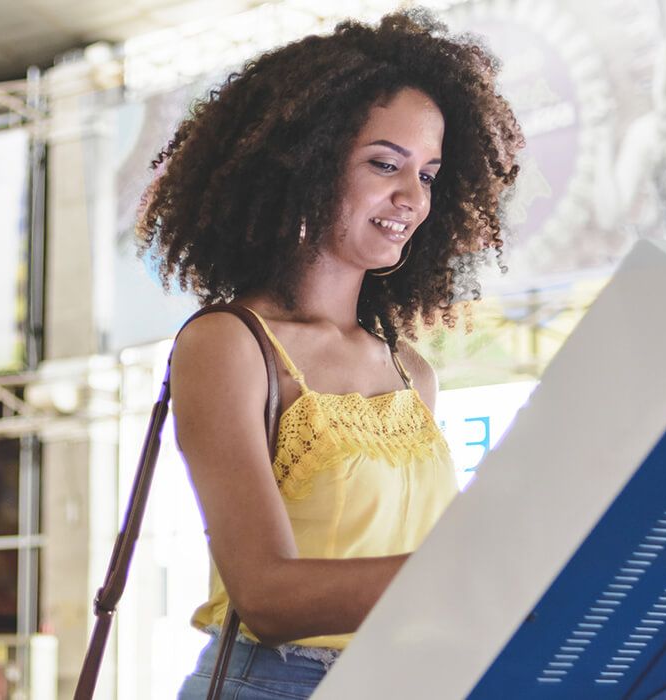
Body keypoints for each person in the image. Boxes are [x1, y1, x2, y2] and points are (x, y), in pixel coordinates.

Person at [137, 10, 524, 698]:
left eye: (429, 174)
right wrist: (474, 570)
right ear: (306, 167)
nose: (412, 198)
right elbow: (267, 597)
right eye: (385, 164)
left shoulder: (411, 372)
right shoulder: (231, 344)